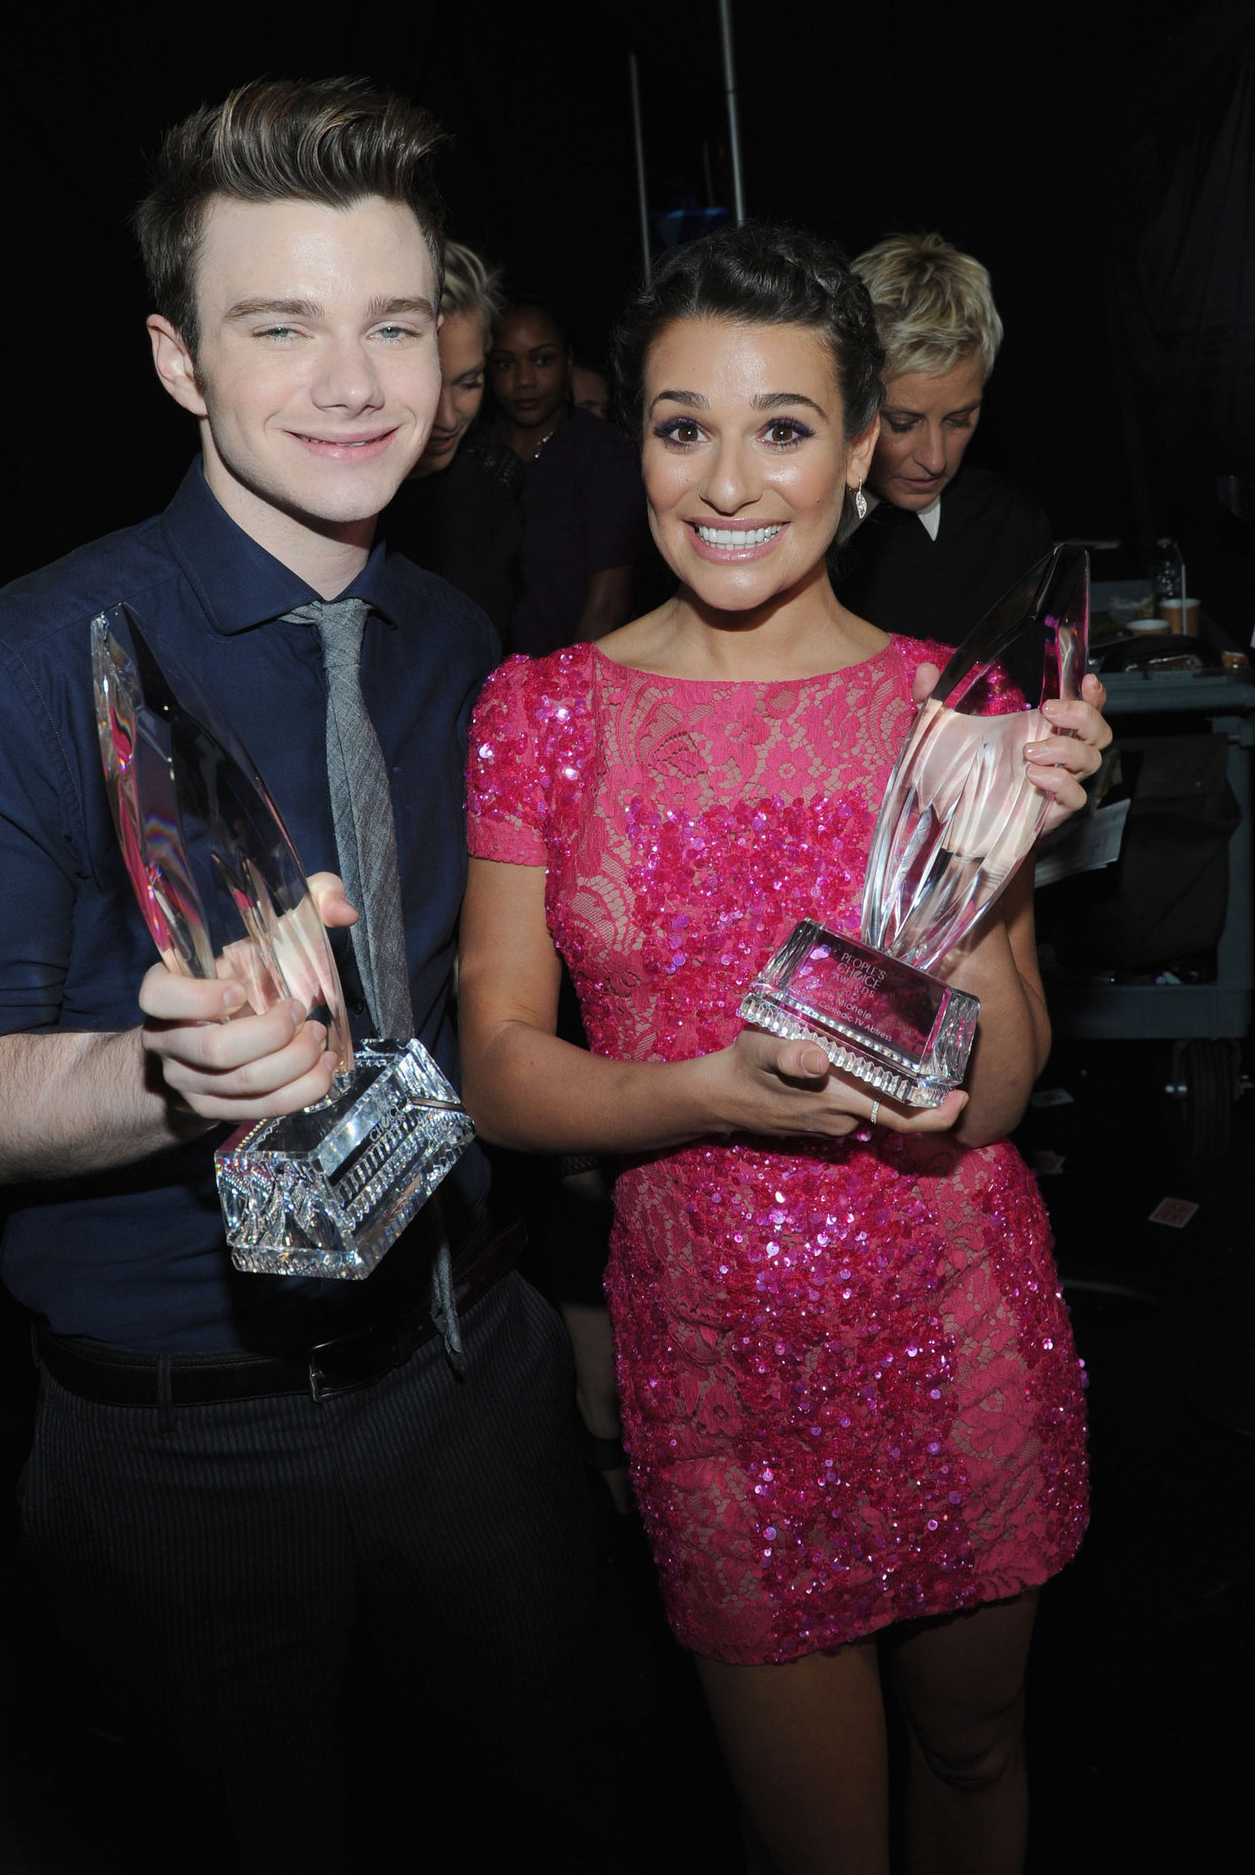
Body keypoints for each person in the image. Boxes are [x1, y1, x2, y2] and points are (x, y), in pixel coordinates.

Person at [0, 78, 611, 1873]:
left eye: (392, 326)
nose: (353, 383)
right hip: (185, 1448)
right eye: (279, 327)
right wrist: (171, 1075)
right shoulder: (15, 670)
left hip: (478, 1382)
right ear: (178, 359)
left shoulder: (455, 639)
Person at [459, 223, 1107, 1875]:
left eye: (784, 427)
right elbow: (502, 1070)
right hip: (717, 1375)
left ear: (861, 446)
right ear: (637, 446)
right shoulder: (539, 710)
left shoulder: (944, 704)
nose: (729, 481)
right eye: (683, 426)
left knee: (974, 1749)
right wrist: (707, 1091)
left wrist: (980, 839)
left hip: (954, 1330)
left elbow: (999, 1095)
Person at [834, 232, 1053, 646]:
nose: (935, 459)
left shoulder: (1010, 528)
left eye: (960, 420)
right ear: (852, 402)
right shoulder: (796, 525)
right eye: (901, 423)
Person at [487, 297, 651, 653]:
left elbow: (608, 606)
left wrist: (562, 696)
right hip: (478, 684)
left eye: (542, 360)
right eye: (504, 364)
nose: (524, 380)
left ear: (569, 361)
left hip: (569, 685)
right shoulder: (474, 454)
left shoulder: (602, 452)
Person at [377, 238, 523, 635]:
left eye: (468, 383)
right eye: (430, 383)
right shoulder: (342, 497)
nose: (445, 418)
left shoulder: (496, 477)